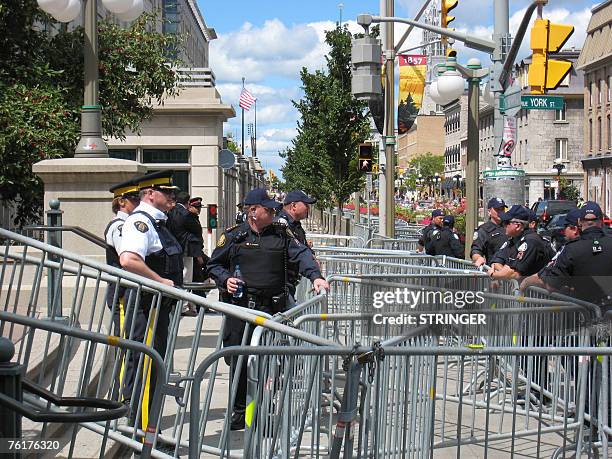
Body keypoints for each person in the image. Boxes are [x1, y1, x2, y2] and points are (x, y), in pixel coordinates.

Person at [207, 188, 329, 431]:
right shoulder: (234, 236)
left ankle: (260, 411)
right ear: (253, 211)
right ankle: (240, 411)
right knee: (239, 361)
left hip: (272, 309)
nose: (274, 211)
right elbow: (214, 264)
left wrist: (315, 277)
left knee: (268, 363)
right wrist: (225, 279)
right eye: (268, 208)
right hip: (241, 309)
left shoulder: (281, 234)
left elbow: (302, 255)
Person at [118, 170, 182, 431]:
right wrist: (160, 281)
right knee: (146, 367)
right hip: (147, 304)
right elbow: (129, 260)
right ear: (150, 194)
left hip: (157, 306)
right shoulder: (140, 222)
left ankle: (148, 431)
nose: (173, 198)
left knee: (154, 367)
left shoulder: (158, 222)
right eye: (168, 193)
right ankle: (142, 433)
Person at [104, 176, 141, 404]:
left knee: (130, 342)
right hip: (121, 291)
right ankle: (121, 397)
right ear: (122, 202)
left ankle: (126, 393)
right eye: (133, 198)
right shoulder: (119, 227)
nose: (137, 202)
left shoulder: (128, 225)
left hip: (128, 290)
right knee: (126, 343)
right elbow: (126, 256)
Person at [519, 207, 582, 291]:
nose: (564, 230)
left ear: (575, 229)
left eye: (566, 226)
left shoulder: (570, 249)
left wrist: (526, 282)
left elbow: (550, 282)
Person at [487, 205, 554, 280]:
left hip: (537, 289)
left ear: (518, 226)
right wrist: (503, 274)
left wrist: (493, 274)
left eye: (506, 222)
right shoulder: (515, 239)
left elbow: (513, 274)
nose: (503, 225)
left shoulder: (531, 241)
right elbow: (497, 262)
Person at [275, 190, 317, 303]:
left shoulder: (294, 224)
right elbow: (295, 251)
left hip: (289, 284)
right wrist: (314, 274)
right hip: (282, 285)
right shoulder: (282, 224)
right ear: (293, 206)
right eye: (305, 204)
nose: (308, 208)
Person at [167, 191, 205, 316]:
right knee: (186, 278)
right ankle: (184, 306)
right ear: (188, 202)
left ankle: (185, 304)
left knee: (180, 276)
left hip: (174, 248)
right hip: (186, 249)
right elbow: (196, 229)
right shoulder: (185, 214)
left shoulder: (170, 211)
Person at [470, 197, 508, 268]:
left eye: (502, 209)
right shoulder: (484, 230)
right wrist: (478, 258)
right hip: (495, 272)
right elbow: (476, 250)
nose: (500, 212)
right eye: (497, 210)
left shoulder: (509, 226)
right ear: (489, 211)